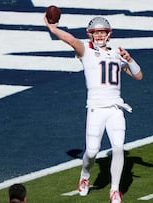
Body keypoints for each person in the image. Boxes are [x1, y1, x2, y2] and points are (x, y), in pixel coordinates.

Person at [44, 15, 143, 203]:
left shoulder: (116, 53)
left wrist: (129, 59)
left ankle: (114, 190)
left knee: (118, 148)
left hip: (115, 108)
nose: (99, 35)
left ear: (108, 34)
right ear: (90, 35)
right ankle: (85, 175)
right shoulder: (86, 52)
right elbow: (72, 40)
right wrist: (53, 29)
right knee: (91, 151)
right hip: (96, 108)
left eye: (102, 32)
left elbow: (138, 75)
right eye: (96, 32)